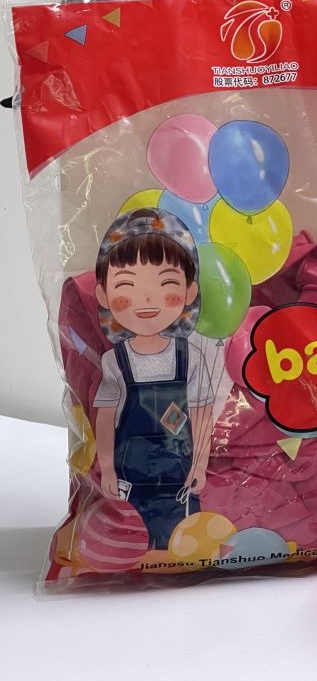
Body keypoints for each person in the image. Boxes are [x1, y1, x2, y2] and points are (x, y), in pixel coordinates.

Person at [92, 208, 214, 548]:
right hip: (130, 480)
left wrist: (200, 465)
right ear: (103, 295)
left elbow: (202, 415)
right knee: (132, 546)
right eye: (127, 285)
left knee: (182, 547)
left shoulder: (192, 357)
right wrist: (107, 469)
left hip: (179, 479)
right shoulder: (113, 361)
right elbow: (105, 419)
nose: (147, 299)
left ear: (190, 291)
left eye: (166, 284)